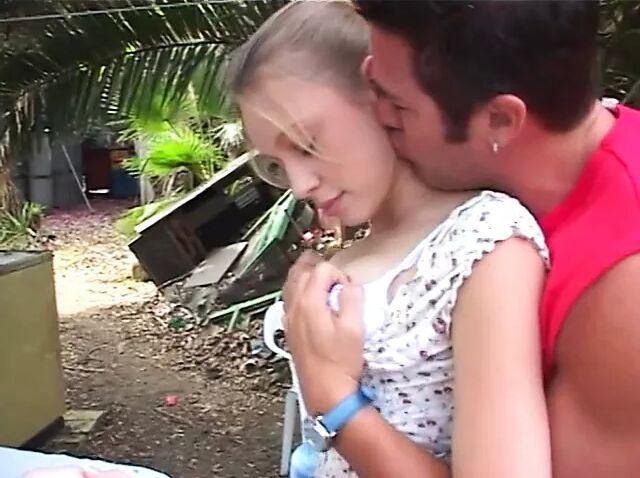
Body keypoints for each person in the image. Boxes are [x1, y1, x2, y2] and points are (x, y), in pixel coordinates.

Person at [285, 0, 640, 476]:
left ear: (500, 120)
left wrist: (335, 400)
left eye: (397, 105)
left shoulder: (623, 291)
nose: (376, 116)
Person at [229, 2, 551, 477]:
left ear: (381, 98)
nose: (299, 185)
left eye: (307, 144)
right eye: (276, 164)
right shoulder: (352, 255)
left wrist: (334, 398)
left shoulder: (482, 244)